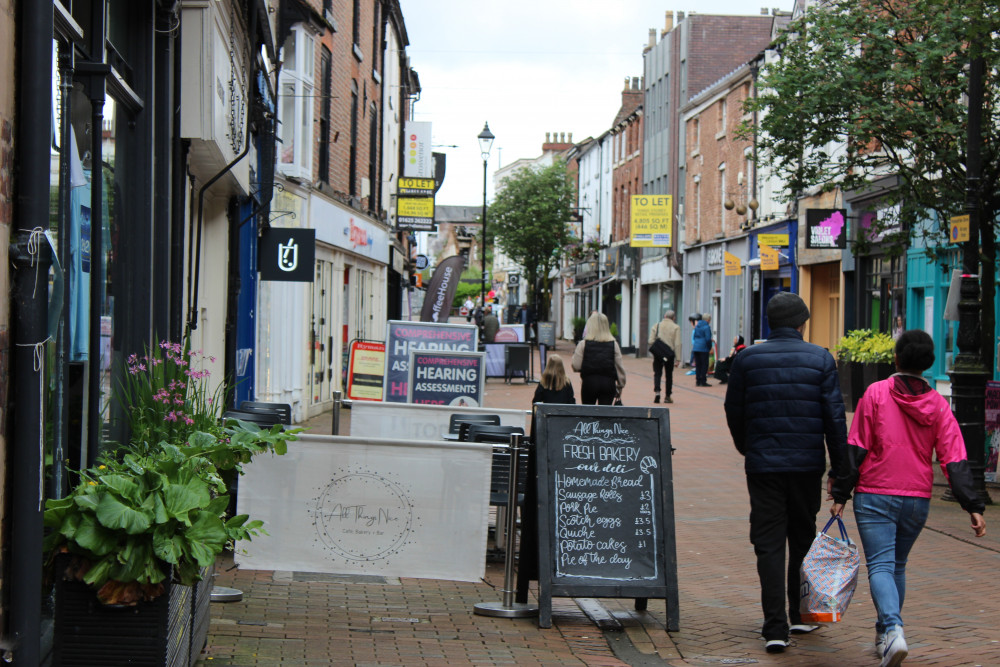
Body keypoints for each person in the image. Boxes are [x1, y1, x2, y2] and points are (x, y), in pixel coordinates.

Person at [830, 329, 986, 666]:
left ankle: (894, 629)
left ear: (896, 358)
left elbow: (856, 446)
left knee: (881, 566)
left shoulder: (874, 394)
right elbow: (954, 458)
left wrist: (841, 492)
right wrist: (972, 505)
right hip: (917, 498)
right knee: (896, 566)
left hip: (874, 493)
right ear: (928, 364)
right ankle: (883, 632)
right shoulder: (938, 405)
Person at [723, 291, 850, 654]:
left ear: (769, 322)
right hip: (807, 464)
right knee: (802, 535)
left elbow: (734, 411)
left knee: (768, 542)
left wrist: (748, 447)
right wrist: (841, 472)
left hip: (764, 464)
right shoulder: (821, 359)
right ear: (801, 323)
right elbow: (835, 420)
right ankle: (798, 613)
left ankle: (774, 626)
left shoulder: (747, 360)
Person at [571, 312, 626, 405]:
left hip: (589, 382)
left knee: (588, 414)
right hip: (608, 383)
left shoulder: (583, 344)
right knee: (605, 415)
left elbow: (576, 365)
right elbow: (619, 367)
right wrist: (620, 385)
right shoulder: (614, 344)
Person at [649, 310, 681, 403]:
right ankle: (667, 396)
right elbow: (677, 344)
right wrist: (678, 359)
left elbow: (650, 340)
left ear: (664, 316)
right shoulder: (676, 327)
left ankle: (657, 392)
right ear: (673, 318)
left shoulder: (657, 325)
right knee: (669, 375)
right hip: (669, 354)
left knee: (657, 373)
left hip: (658, 354)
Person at [692, 313, 713, 386]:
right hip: (703, 348)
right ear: (707, 320)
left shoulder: (697, 325)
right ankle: (703, 381)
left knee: (698, 365)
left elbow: (694, 336)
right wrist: (710, 347)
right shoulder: (706, 327)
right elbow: (708, 339)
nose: (710, 321)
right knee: (704, 364)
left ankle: (698, 381)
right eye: (709, 320)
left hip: (696, 347)